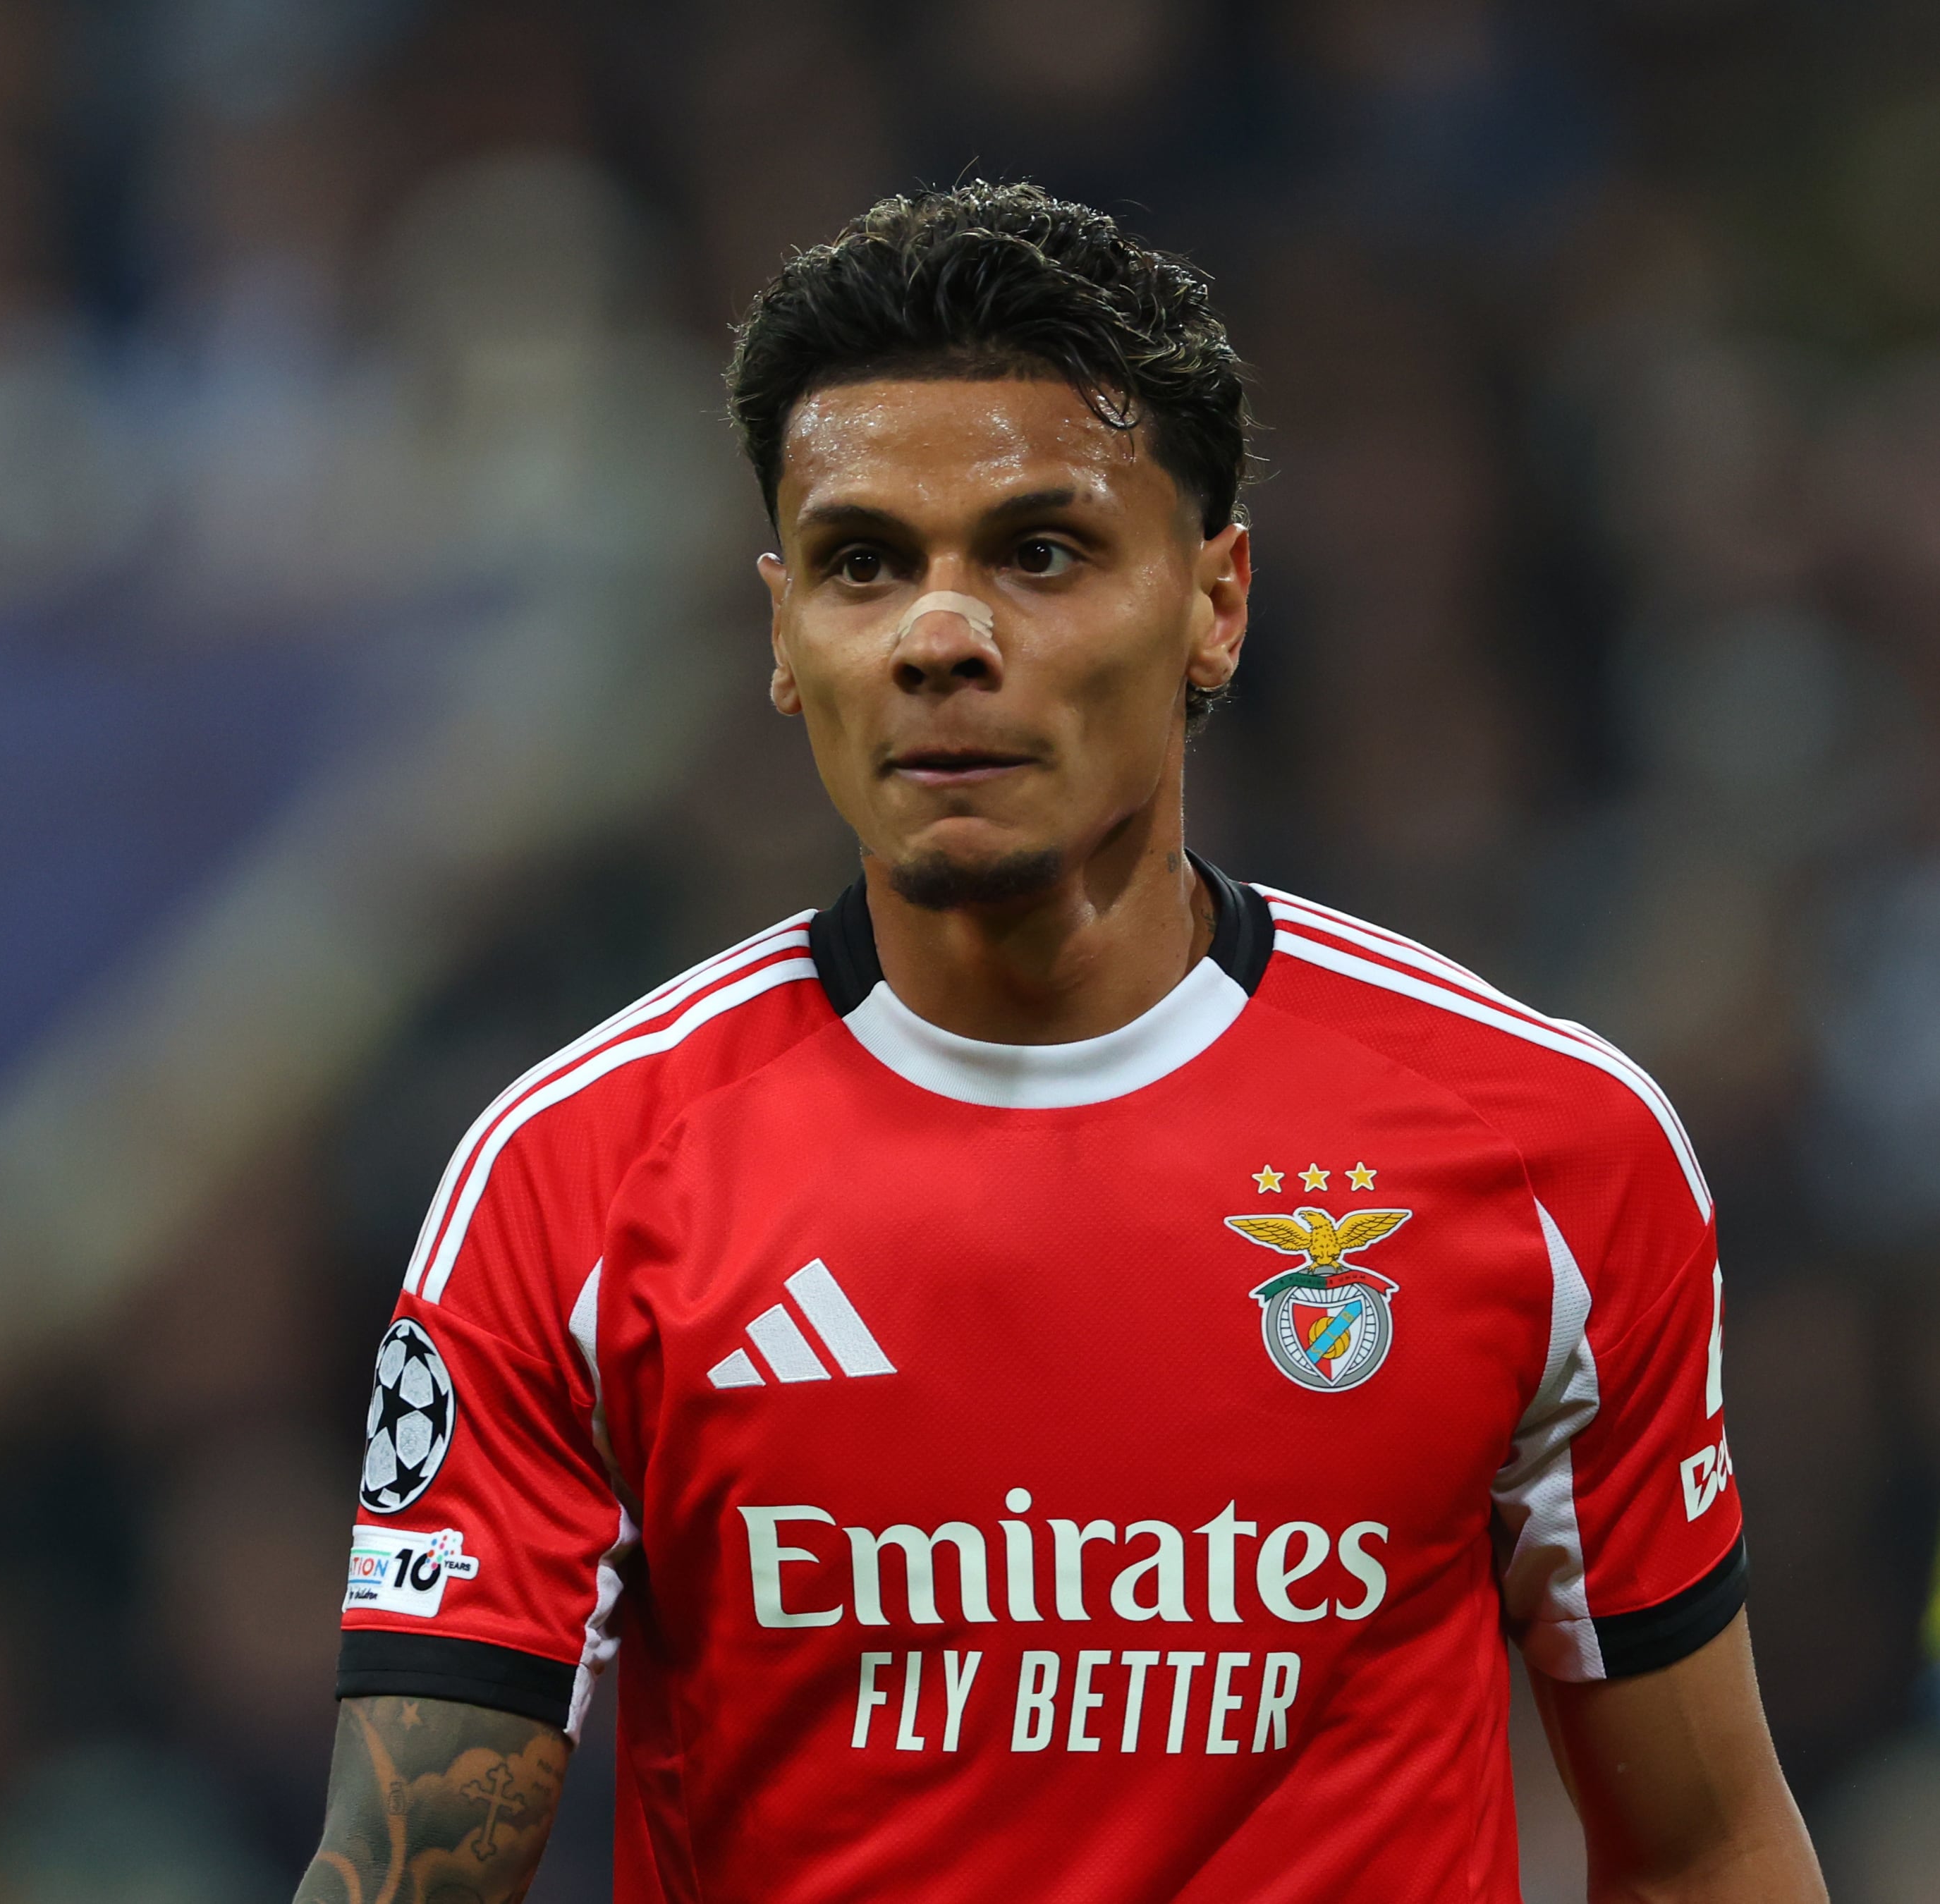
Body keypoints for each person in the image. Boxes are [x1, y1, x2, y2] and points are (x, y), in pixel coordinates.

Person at [296, 182, 1824, 1903]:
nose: (942, 639)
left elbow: (1704, 1849)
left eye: (1040, 552)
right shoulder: (570, 1184)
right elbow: (406, 1872)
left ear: (1216, 602)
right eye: (863, 564)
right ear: (784, 638)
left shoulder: (1546, 1150)